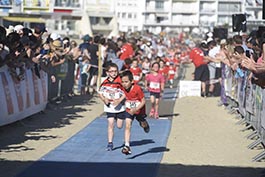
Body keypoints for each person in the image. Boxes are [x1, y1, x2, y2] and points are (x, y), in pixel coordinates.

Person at [120, 70, 150, 155]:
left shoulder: (137, 89)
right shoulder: (123, 88)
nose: (124, 84)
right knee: (127, 125)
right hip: (129, 110)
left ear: (132, 81)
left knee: (142, 123)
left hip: (139, 109)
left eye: (126, 82)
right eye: (122, 82)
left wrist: (136, 108)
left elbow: (143, 101)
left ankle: (145, 124)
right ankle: (127, 145)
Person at [98, 63, 126, 151]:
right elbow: (100, 93)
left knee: (119, 126)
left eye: (115, 71)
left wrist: (119, 100)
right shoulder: (105, 82)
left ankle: (120, 119)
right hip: (109, 107)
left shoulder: (120, 81)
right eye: (112, 71)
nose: (114, 73)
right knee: (110, 124)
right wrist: (104, 99)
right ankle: (110, 143)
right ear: (107, 72)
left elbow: (126, 93)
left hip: (120, 107)